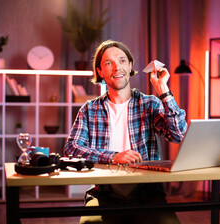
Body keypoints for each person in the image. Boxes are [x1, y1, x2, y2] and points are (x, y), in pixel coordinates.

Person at [64, 40, 188, 224]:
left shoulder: (150, 104)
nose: (117, 67)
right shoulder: (89, 109)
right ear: (100, 71)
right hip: (103, 193)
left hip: (147, 193)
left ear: (130, 66)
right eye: (108, 63)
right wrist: (114, 157)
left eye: (122, 61)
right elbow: (71, 148)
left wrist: (163, 89)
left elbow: (177, 134)